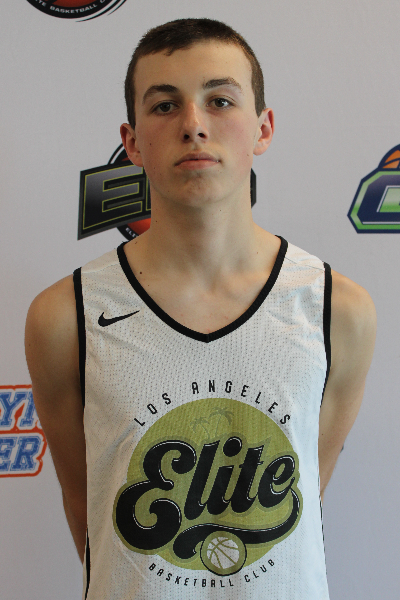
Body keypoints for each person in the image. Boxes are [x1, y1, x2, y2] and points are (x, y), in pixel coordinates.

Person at [25, 17, 376, 600]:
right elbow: (89, 506)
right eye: (165, 106)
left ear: (263, 127)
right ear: (132, 141)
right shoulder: (65, 316)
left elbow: (302, 497)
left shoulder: (339, 310)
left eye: (220, 101)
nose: (193, 124)